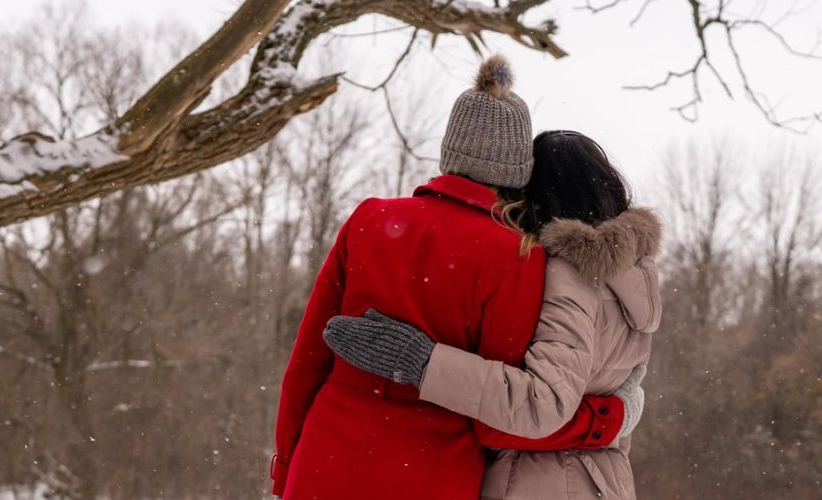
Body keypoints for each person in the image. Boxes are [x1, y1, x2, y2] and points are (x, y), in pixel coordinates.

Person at [270, 56, 635, 499]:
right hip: (433, 471)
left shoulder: (369, 219)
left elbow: (306, 364)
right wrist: (604, 420)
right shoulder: (519, 256)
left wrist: (287, 466)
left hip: (326, 458)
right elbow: (498, 417)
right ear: (519, 171)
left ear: (450, 147)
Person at [323, 130, 661, 500]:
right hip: (600, 482)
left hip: (540, 483)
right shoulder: (632, 275)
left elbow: (536, 406)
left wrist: (421, 361)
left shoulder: (569, 275)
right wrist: (609, 420)